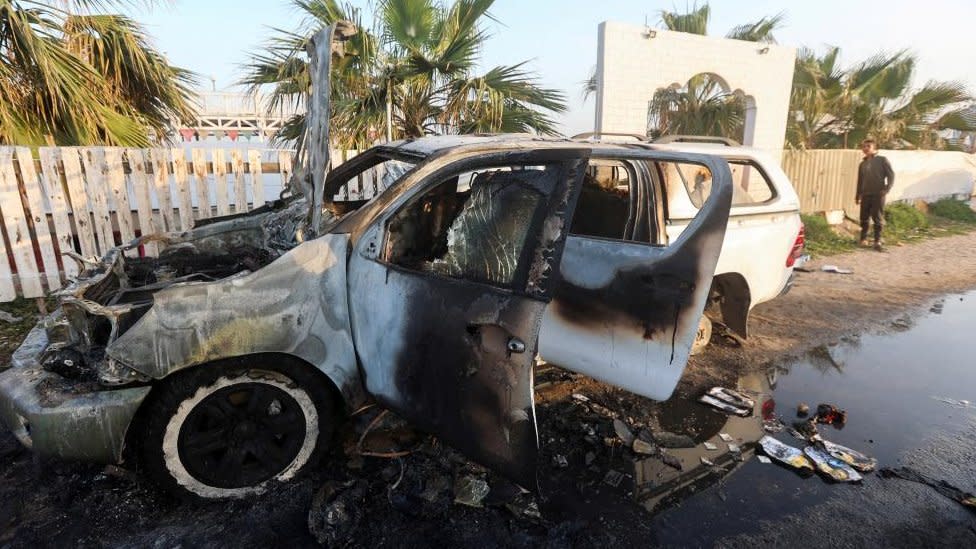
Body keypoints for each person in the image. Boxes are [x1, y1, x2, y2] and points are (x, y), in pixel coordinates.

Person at [855, 139, 895, 251]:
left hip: (878, 194)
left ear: (875, 148)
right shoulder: (862, 164)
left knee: (877, 218)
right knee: (864, 218)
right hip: (866, 194)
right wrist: (858, 195)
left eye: (868, 146)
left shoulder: (882, 160)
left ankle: (877, 241)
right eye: (864, 146)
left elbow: (891, 175)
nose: (866, 148)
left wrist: (886, 189)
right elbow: (860, 181)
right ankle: (863, 239)